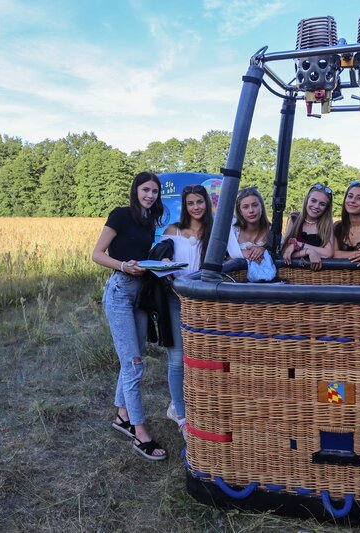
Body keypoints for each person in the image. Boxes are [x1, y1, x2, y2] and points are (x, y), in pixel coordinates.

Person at [91, 171, 167, 461]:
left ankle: (123, 415)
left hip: (140, 295)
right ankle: (140, 433)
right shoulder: (121, 215)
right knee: (133, 365)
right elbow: (97, 254)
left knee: (133, 358)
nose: (150, 195)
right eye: (146, 190)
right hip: (120, 292)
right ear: (136, 190)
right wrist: (123, 266)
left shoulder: (150, 222)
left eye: (155, 192)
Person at [159, 185, 214, 440]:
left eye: (200, 202)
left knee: (204, 356)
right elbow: (160, 256)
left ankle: (202, 406)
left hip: (203, 302)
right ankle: (180, 414)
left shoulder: (214, 231)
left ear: (207, 203)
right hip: (174, 298)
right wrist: (166, 262)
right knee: (177, 357)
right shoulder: (174, 230)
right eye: (191, 203)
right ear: (185, 205)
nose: (196, 207)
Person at [281, 183, 335, 271]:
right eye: (313, 201)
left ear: (326, 208)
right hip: (294, 273)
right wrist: (309, 251)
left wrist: (298, 244)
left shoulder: (326, 224)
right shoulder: (294, 219)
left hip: (317, 275)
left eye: (322, 204)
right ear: (307, 200)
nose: (316, 206)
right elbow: (286, 252)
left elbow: (328, 253)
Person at [226, 186, 270, 263]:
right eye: (245, 207)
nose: (251, 210)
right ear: (240, 211)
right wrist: (241, 253)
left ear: (261, 207)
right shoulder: (232, 232)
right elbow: (221, 258)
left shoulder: (271, 231)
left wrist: (264, 250)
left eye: (255, 205)